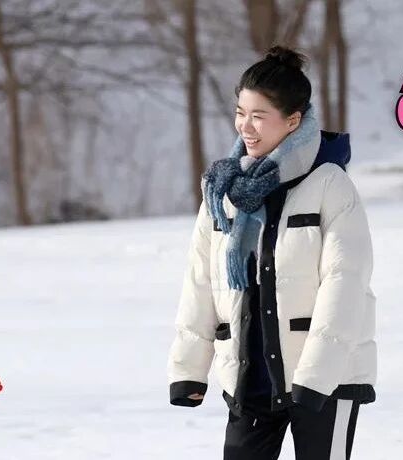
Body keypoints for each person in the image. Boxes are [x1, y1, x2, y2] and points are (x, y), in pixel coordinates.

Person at [167, 46, 377, 460]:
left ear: (294, 120)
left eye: (259, 116)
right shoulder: (224, 190)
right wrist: (189, 368)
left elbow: (345, 283)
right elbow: (201, 280)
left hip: (324, 379)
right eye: (240, 113)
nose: (246, 126)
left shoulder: (329, 185)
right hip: (250, 377)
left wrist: (315, 376)